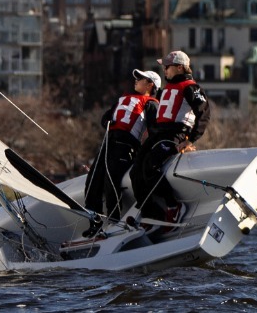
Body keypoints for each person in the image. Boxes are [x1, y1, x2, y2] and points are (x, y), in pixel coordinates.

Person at [137, 50, 212, 223]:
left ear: (179, 67)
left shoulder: (191, 87)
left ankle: (173, 206)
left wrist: (190, 140)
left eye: (167, 67)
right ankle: (149, 214)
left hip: (175, 133)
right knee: (137, 170)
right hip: (159, 134)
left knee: (150, 166)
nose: (164, 70)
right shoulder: (166, 89)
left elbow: (204, 115)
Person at [84, 69, 159, 226]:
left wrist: (150, 153)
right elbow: (106, 116)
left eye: (141, 78)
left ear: (150, 85)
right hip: (108, 143)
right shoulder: (123, 99)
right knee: (92, 182)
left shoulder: (151, 103)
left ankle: (114, 222)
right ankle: (94, 222)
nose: (136, 80)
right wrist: (107, 121)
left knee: (111, 182)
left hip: (125, 146)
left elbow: (154, 130)